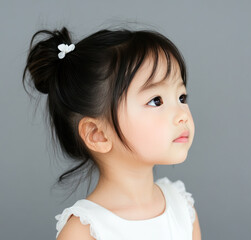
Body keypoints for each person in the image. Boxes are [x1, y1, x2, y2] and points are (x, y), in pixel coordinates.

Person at [22, 26, 201, 240]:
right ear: (98, 134)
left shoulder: (182, 206)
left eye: (181, 97)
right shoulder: (84, 232)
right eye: (156, 101)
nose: (182, 114)